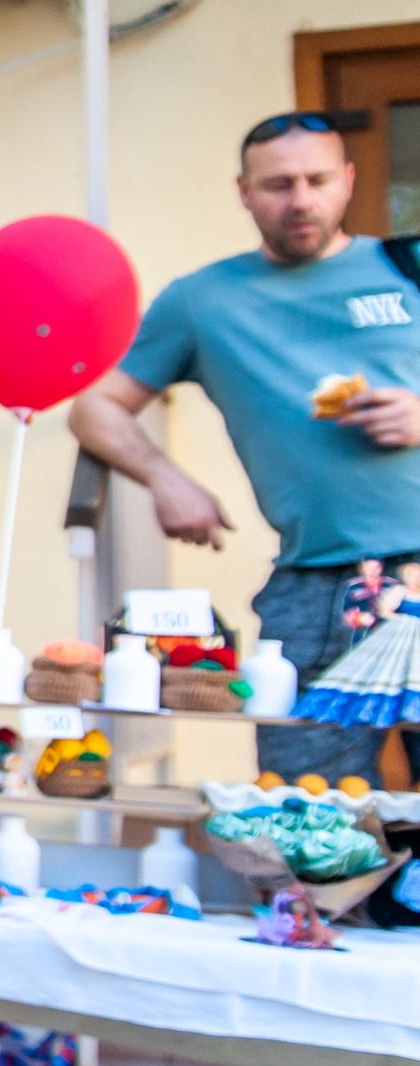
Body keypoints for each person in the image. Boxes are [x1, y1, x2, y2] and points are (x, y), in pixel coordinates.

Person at [68, 111, 420, 784]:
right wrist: (164, 477)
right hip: (315, 581)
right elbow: (94, 407)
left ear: (348, 180)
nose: (301, 199)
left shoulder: (409, 268)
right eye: (279, 184)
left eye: (318, 179)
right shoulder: (202, 301)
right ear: (244, 191)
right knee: (300, 802)